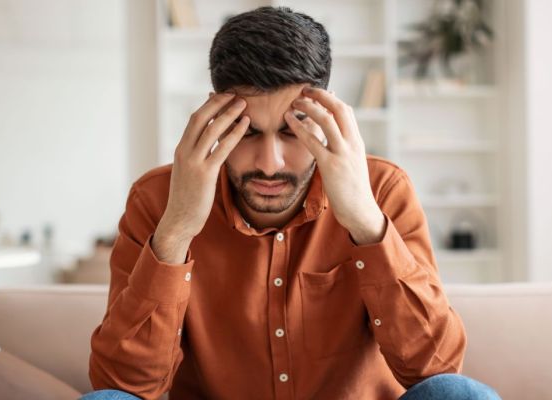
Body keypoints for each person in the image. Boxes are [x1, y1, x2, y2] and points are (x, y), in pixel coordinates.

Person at [83, 6, 501, 400]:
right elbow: (123, 384)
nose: (270, 164)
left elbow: (438, 368)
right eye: (246, 133)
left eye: (290, 131)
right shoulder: (157, 200)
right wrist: (175, 231)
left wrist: (364, 222)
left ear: (327, 113)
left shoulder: (384, 189)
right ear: (212, 117)